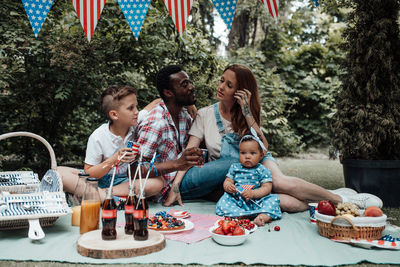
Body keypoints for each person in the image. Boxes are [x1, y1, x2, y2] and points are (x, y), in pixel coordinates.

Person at [164, 64, 383, 211]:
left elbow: (264, 148)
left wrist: (248, 113)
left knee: (277, 182)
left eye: (229, 85)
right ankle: (323, 200)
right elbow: (189, 155)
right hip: (235, 171)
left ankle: (344, 200)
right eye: (222, 80)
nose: (221, 87)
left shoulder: (245, 113)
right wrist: (175, 187)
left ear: (241, 91)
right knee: (273, 198)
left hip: (257, 158)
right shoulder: (204, 114)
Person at [58, 85, 202, 201]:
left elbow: (158, 102)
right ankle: (103, 196)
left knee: (157, 183)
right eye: (131, 108)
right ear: (114, 115)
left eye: (136, 106)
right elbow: (90, 173)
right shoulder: (98, 137)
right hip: (99, 179)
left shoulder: (136, 122)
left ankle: (101, 195)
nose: (137, 111)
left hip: (124, 183)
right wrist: (114, 159)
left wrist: (188, 105)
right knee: (59, 172)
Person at [133, 65, 204, 202]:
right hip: (166, 189)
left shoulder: (183, 115)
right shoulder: (156, 123)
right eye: (184, 85)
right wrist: (178, 164)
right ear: (168, 93)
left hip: (183, 176)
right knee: (229, 165)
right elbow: (136, 170)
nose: (191, 87)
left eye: (189, 82)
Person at [216, 133, 282, 226]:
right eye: (243, 153)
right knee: (223, 202)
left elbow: (267, 187)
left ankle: (262, 217)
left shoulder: (262, 169)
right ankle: (239, 215)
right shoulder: (235, 167)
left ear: (261, 155)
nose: (247, 156)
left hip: (258, 200)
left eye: (252, 153)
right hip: (238, 199)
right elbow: (228, 180)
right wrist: (228, 186)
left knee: (273, 202)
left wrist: (253, 193)